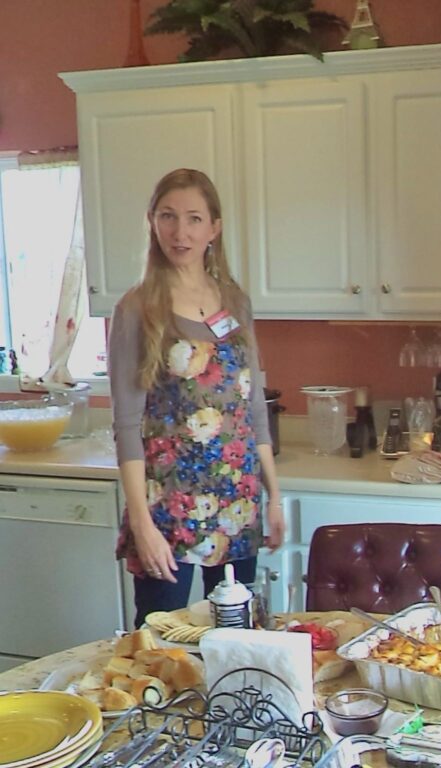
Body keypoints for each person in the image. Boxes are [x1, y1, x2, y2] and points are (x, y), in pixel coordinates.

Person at [109, 168, 285, 628]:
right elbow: (127, 427)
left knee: (237, 641)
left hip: (238, 501)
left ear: (214, 228)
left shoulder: (236, 302)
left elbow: (253, 405)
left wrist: (276, 496)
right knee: (161, 642)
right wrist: (143, 527)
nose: (180, 232)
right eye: (168, 216)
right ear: (152, 221)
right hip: (168, 507)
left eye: (193, 218)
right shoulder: (136, 309)